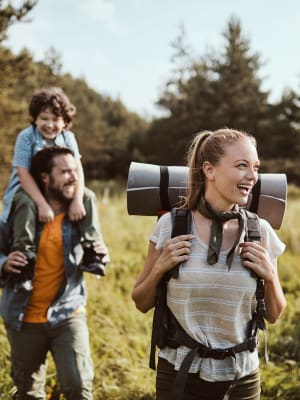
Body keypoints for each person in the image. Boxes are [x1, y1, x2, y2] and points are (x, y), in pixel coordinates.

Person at [132, 129, 286, 400]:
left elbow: (274, 314)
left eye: (256, 167)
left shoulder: (259, 231)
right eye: (242, 166)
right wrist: (160, 268)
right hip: (180, 375)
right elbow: (141, 302)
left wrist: (270, 277)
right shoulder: (171, 226)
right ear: (209, 170)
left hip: (243, 379)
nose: (253, 176)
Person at [0, 146, 109, 399]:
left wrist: (103, 254)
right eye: (64, 171)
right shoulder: (21, 210)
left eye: (74, 170)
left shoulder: (81, 209)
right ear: (46, 178)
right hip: (22, 317)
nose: (73, 176)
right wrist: (5, 263)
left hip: (67, 313)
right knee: (29, 393)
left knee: (78, 386)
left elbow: (96, 250)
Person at [0, 87, 104, 292]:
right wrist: (41, 204)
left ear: (64, 121)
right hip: (27, 190)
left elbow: (78, 170)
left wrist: (76, 200)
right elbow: (23, 173)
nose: (49, 124)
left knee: (88, 196)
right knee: (26, 203)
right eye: (43, 118)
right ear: (35, 119)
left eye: (55, 119)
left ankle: (92, 250)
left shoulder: (68, 138)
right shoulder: (26, 137)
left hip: (59, 189)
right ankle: (25, 263)